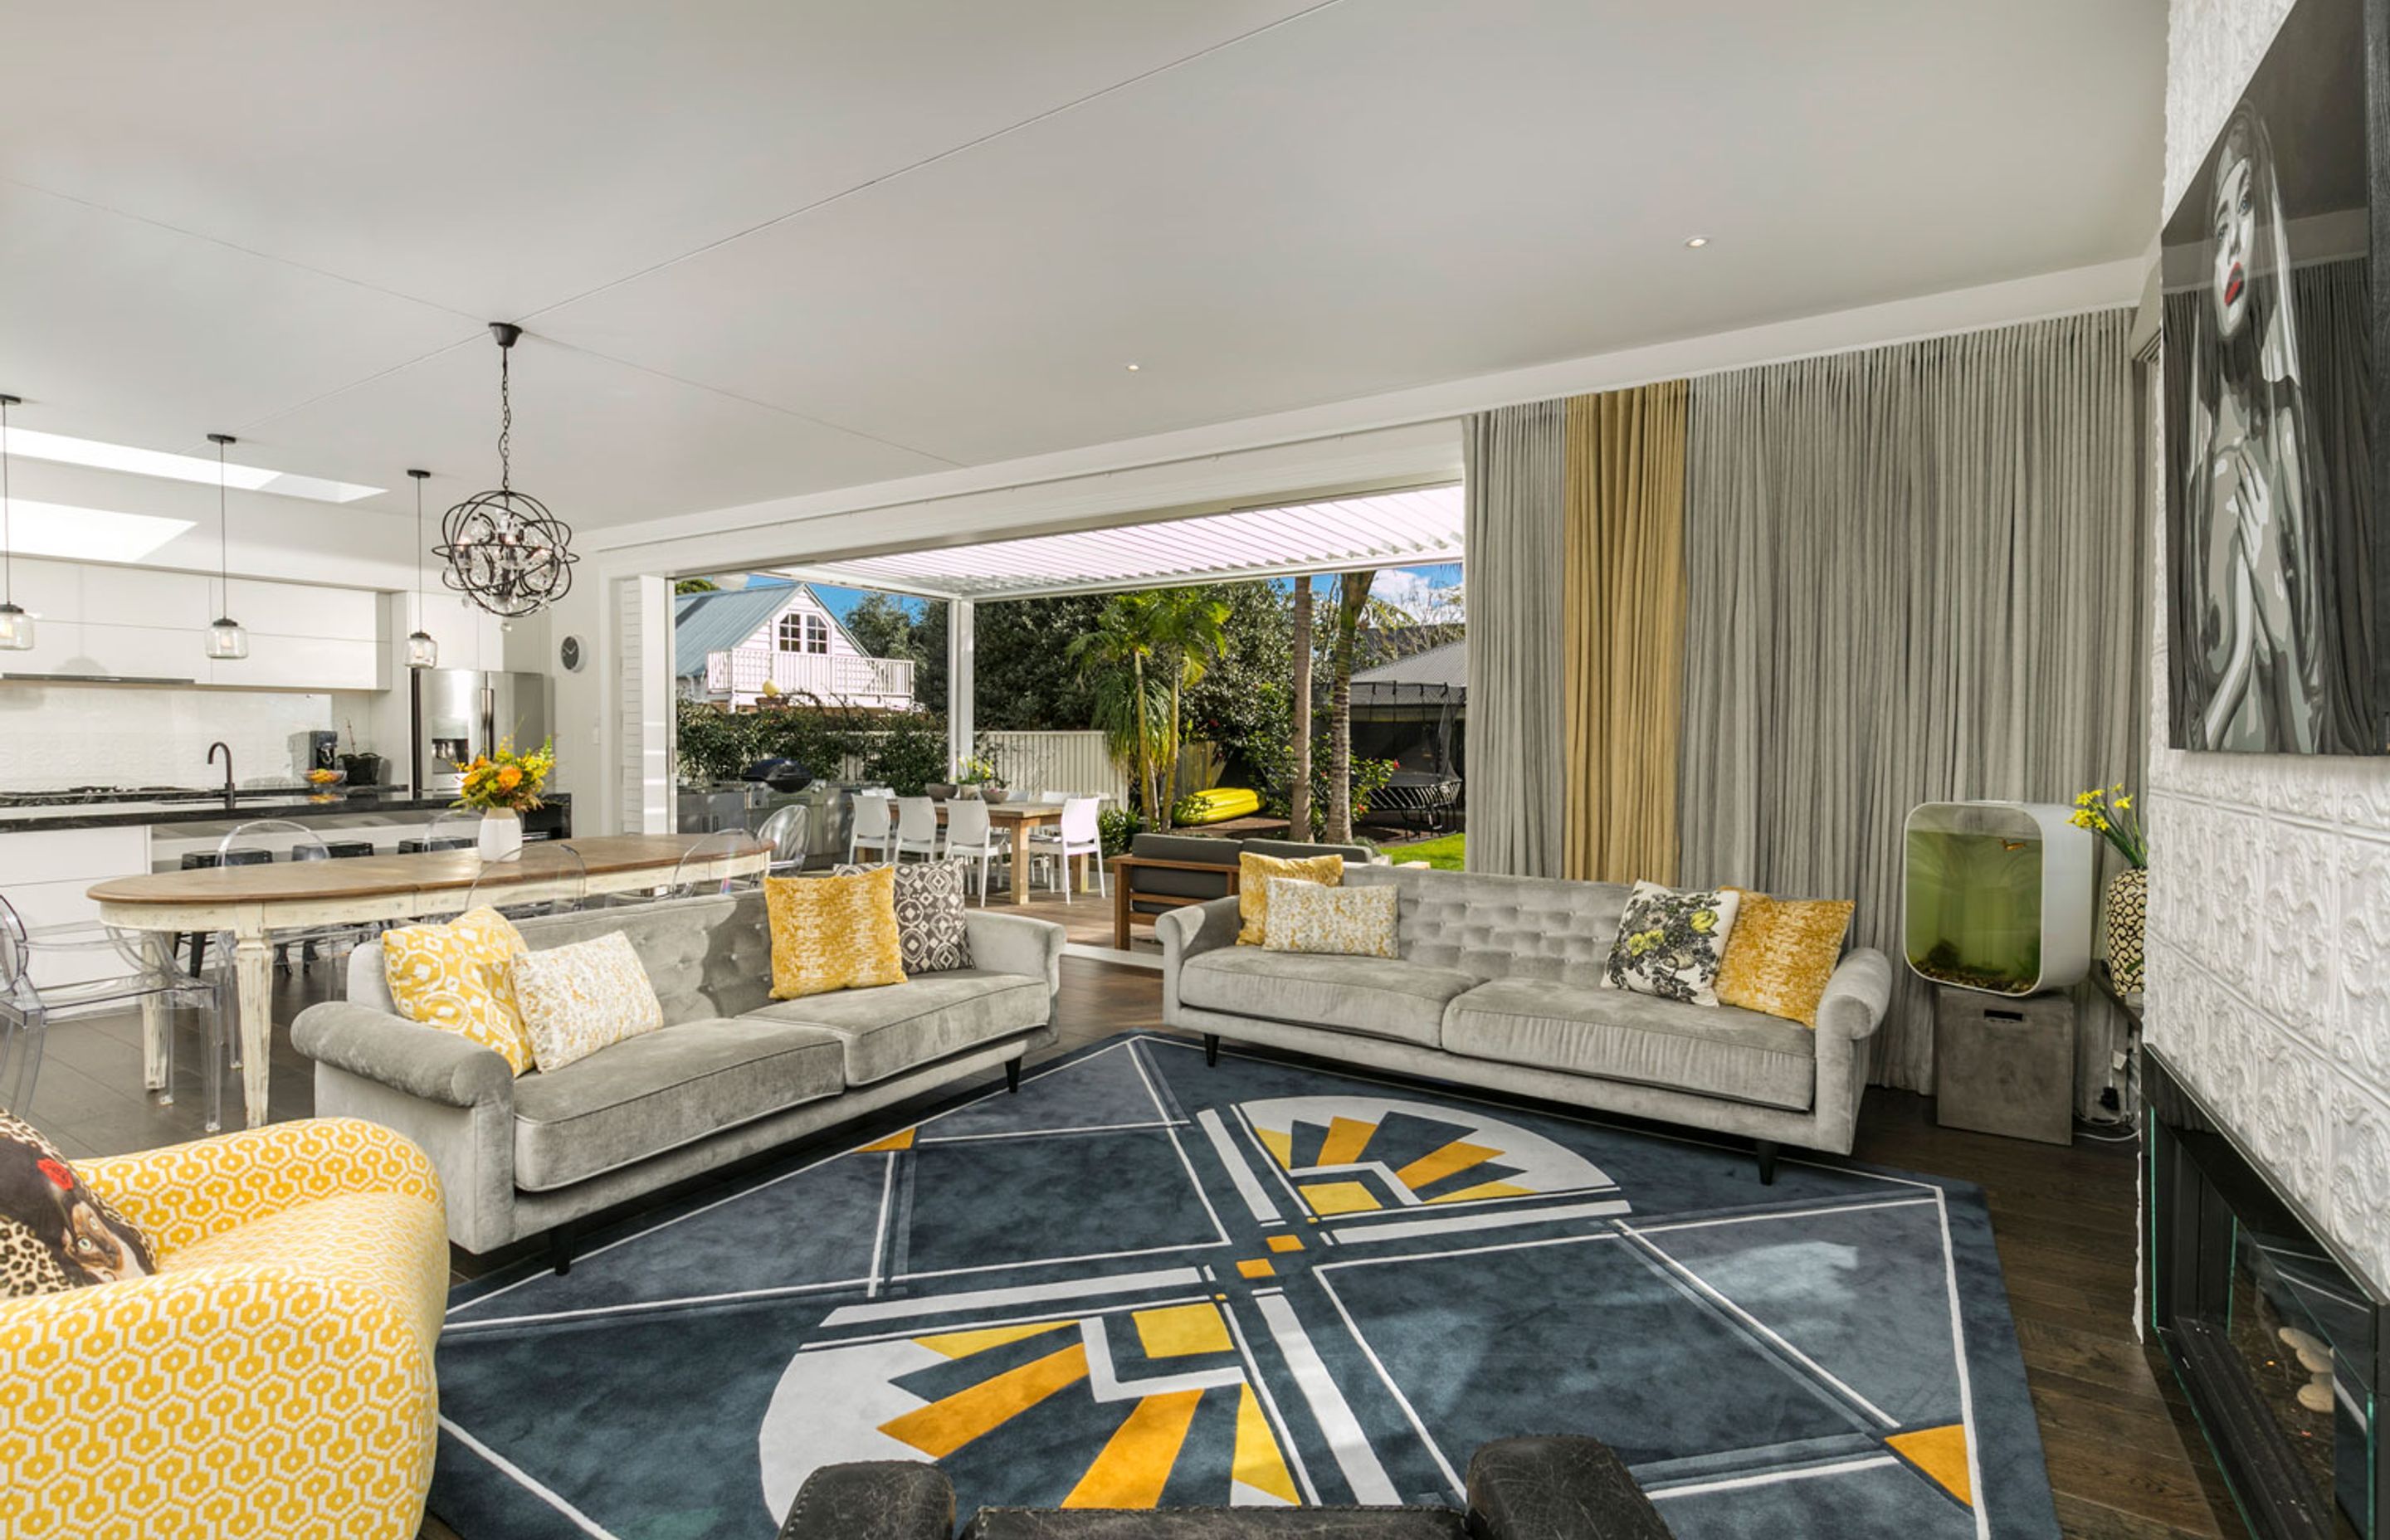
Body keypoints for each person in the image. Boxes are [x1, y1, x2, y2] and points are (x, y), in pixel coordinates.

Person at [2179, 103, 2351, 753]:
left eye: (2246, 208)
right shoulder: (2197, 481)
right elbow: (2200, 720)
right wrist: (2245, 644)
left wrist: (2273, 592)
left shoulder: (2287, 431)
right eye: (2218, 224)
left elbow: (2313, 722)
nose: (2229, 246)